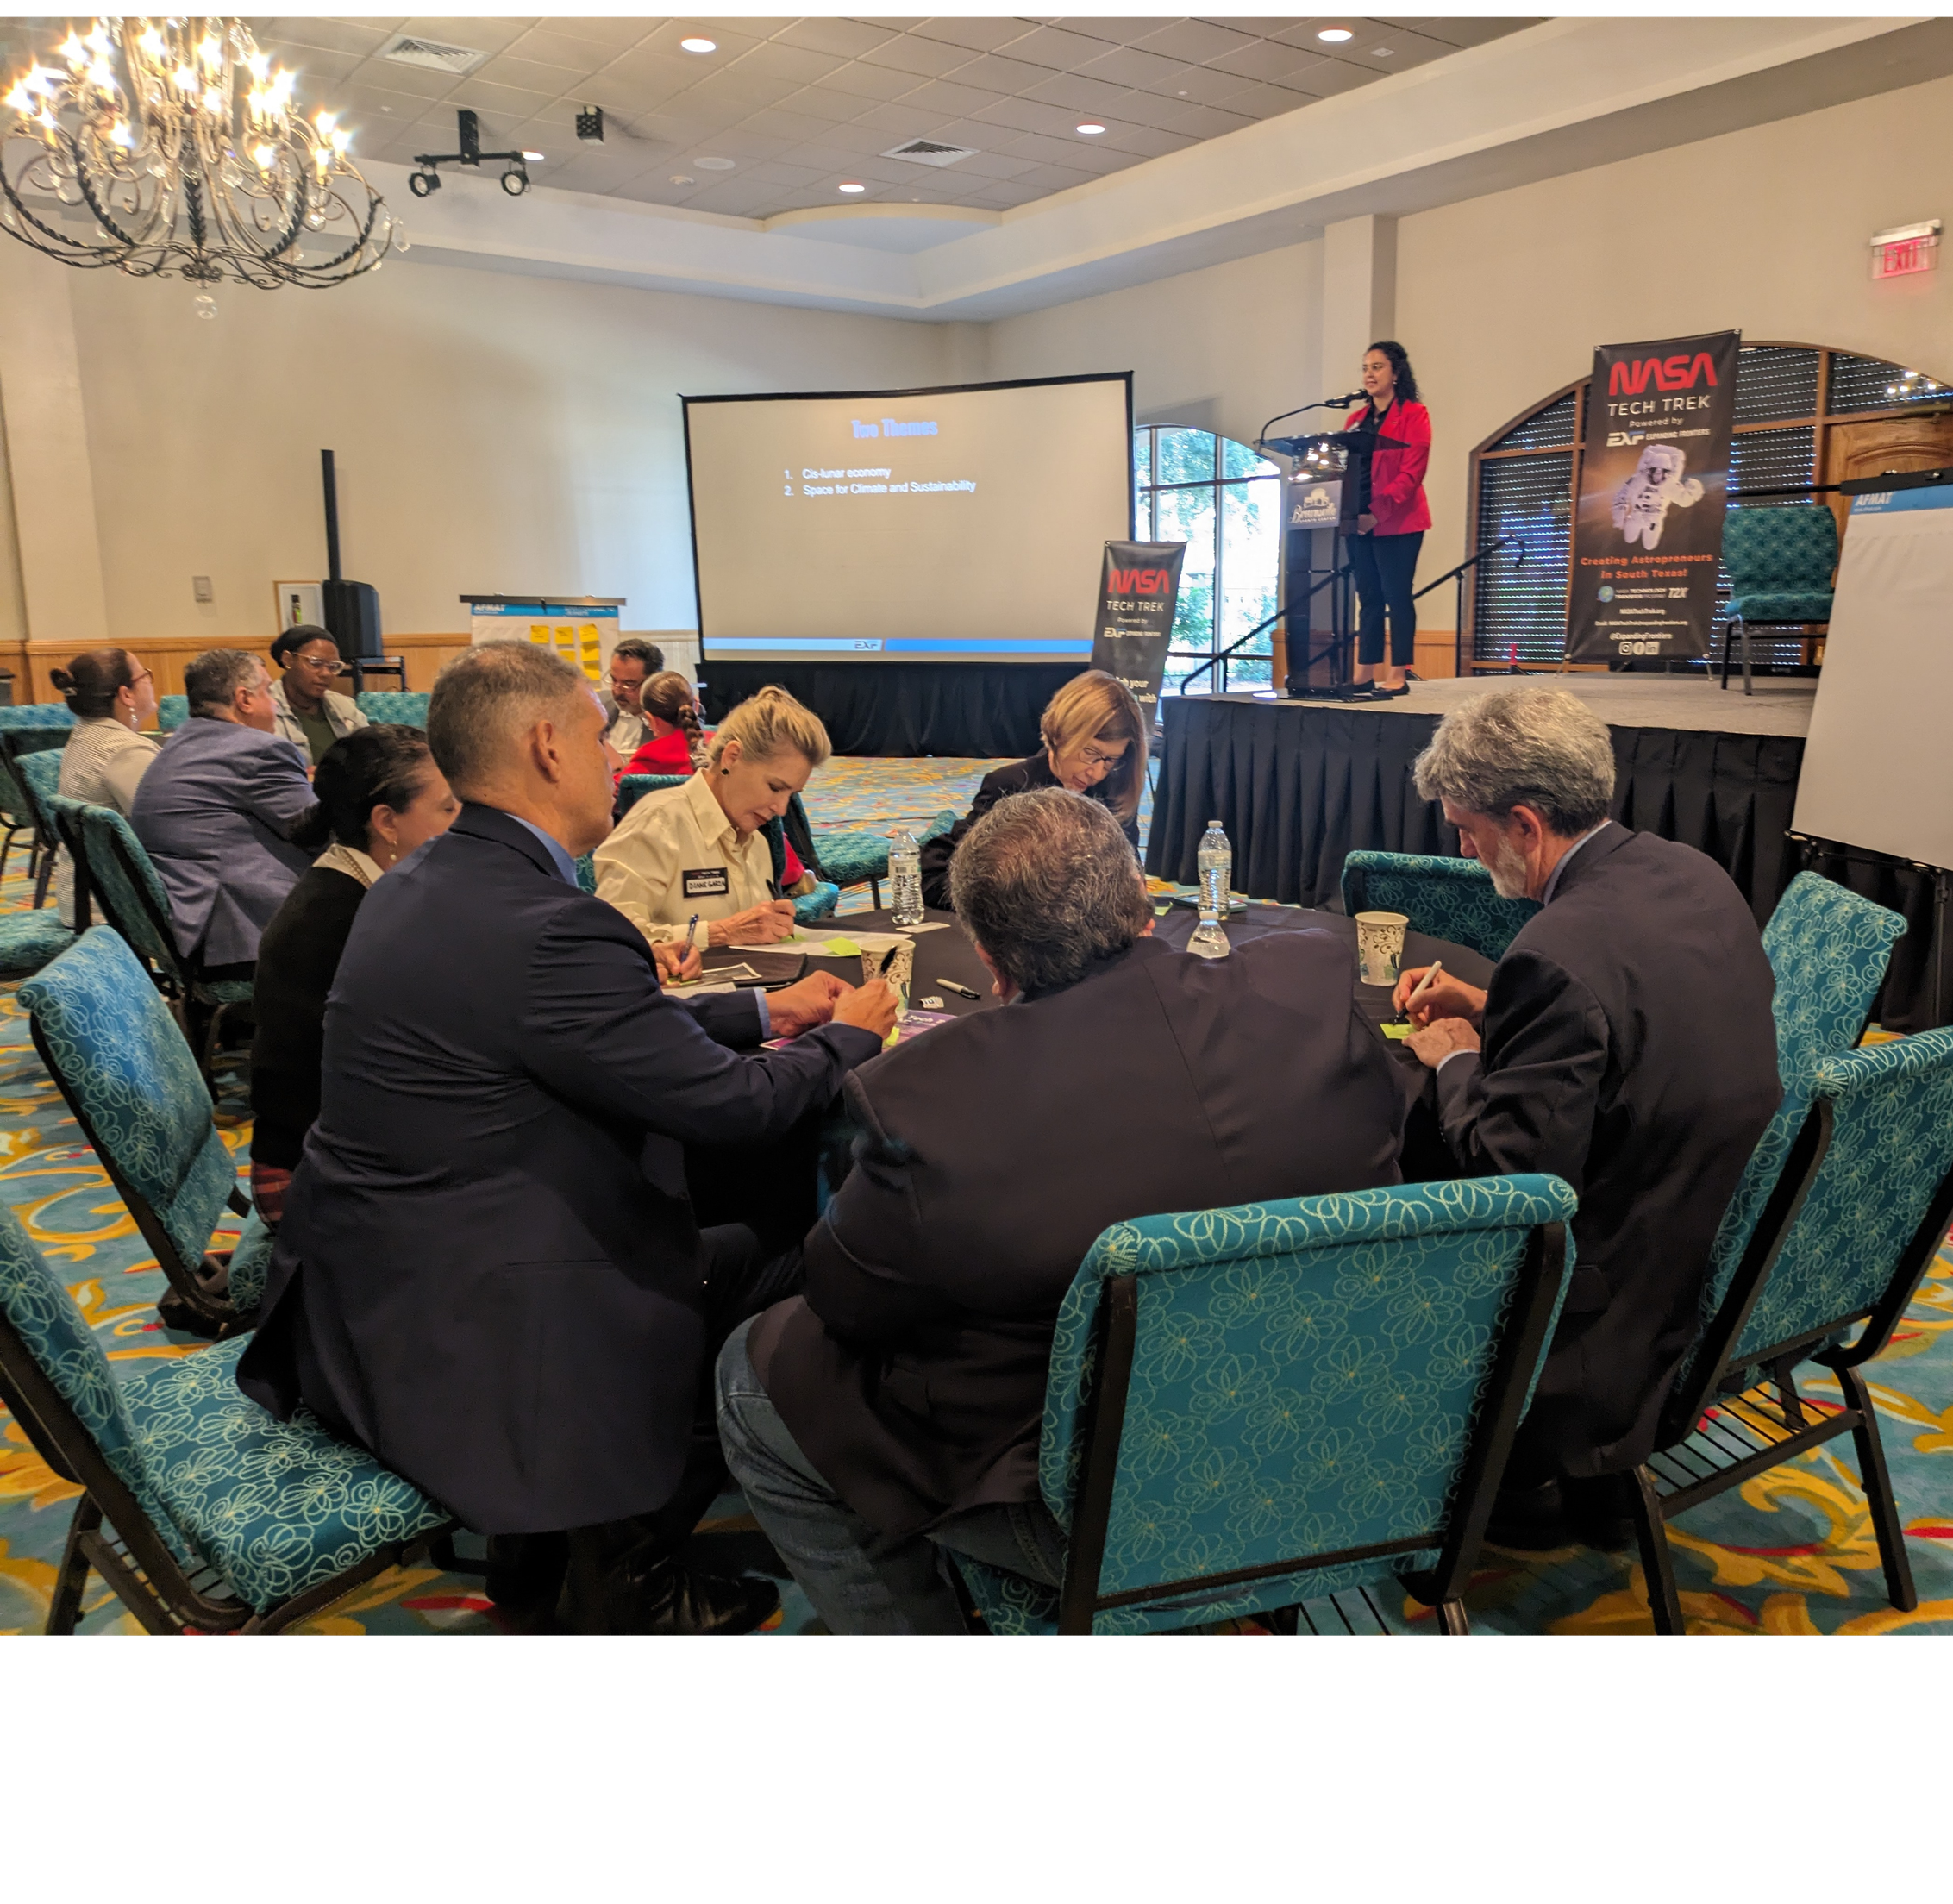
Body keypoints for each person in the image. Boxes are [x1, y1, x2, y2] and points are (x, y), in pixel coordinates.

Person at [237, 641, 898, 1638]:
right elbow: (730, 1107)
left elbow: (589, 1025)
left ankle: (548, 1544)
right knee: (809, 1258)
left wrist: (766, 1014)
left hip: (373, 1266)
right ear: (547, 746)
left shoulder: (422, 877)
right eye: (598, 736)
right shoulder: (550, 920)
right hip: (472, 1301)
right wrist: (851, 1034)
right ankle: (626, 1576)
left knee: (731, 1232)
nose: (617, 756)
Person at [714, 787, 1408, 1636]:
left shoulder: (931, 1100)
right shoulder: (1315, 991)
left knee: (754, 1370)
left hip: (1106, 1516)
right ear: (1143, 905)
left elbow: (845, 1299)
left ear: (989, 960)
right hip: (1358, 1460)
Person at [1388, 688, 1780, 1546]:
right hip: (1702, 1252)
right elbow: (1635, 1036)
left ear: (1525, 825)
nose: (1462, 848)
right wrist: (1492, 1005)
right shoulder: (1694, 874)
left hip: (1596, 1320)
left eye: (1467, 830)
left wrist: (1454, 1056)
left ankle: (1497, 1465)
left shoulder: (1557, 953)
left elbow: (1510, 1180)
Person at [246, 727, 461, 1224]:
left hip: (342, 1149)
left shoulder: (358, 885)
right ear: (386, 822)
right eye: (448, 808)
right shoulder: (341, 919)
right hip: (312, 1181)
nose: (463, 822)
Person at [594, 684, 828, 951]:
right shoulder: (658, 823)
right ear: (732, 757)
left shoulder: (757, 845)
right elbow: (609, 941)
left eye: (791, 794)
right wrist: (721, 933)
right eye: (775, 788)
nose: (782, 809)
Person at [131, 649, 314, 970]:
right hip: (243, 932)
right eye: (268, 692)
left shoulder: (180, 742)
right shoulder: (259, 749)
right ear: (244, 699)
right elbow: (318, 833)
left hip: (190, 923)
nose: (275, 704)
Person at [919, 668, 1144, 910]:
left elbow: (1128, 880)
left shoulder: (1114, 793)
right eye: (1090, 752)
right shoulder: (1011, 786)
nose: (1097, 773)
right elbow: (940, 878)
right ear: (1062, 733)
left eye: (1111, 760)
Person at [1343, 341, 1432, 696]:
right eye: (1365, 367)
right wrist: (1352, 514)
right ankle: (1364, 672)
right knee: (1368, 599)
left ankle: (1398, 673)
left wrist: (1377, 514)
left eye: (1377, 367)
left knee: (1397, 597)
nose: (1369, 374)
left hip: (1399, 522)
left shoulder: (1414, 414)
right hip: (1358, 522)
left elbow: (1412, 474)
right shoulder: (1354, 422)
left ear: (1396, 373)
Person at [53, 647, 161, 815]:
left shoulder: (85, 730)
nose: (149, 680)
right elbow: (168, 820)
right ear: (127, 695)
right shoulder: (127, 751)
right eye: (144, 675)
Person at [268, 625, 368, 765]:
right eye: (316, 663)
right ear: (288, 660)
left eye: (333, 666)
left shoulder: (344, 706)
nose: (326, 673)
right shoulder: (263, 710)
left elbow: (370, 754)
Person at [604, 637, 665, 767]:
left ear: (654, 682)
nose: (617, 690)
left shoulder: (670, 720)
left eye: (629, 684)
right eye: (614, 680)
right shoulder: (599, 706)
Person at [623, 670, 696, 778]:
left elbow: (615, 786)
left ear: (652, 721)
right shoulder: (717, 748)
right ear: (696, 708)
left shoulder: (648, 757)